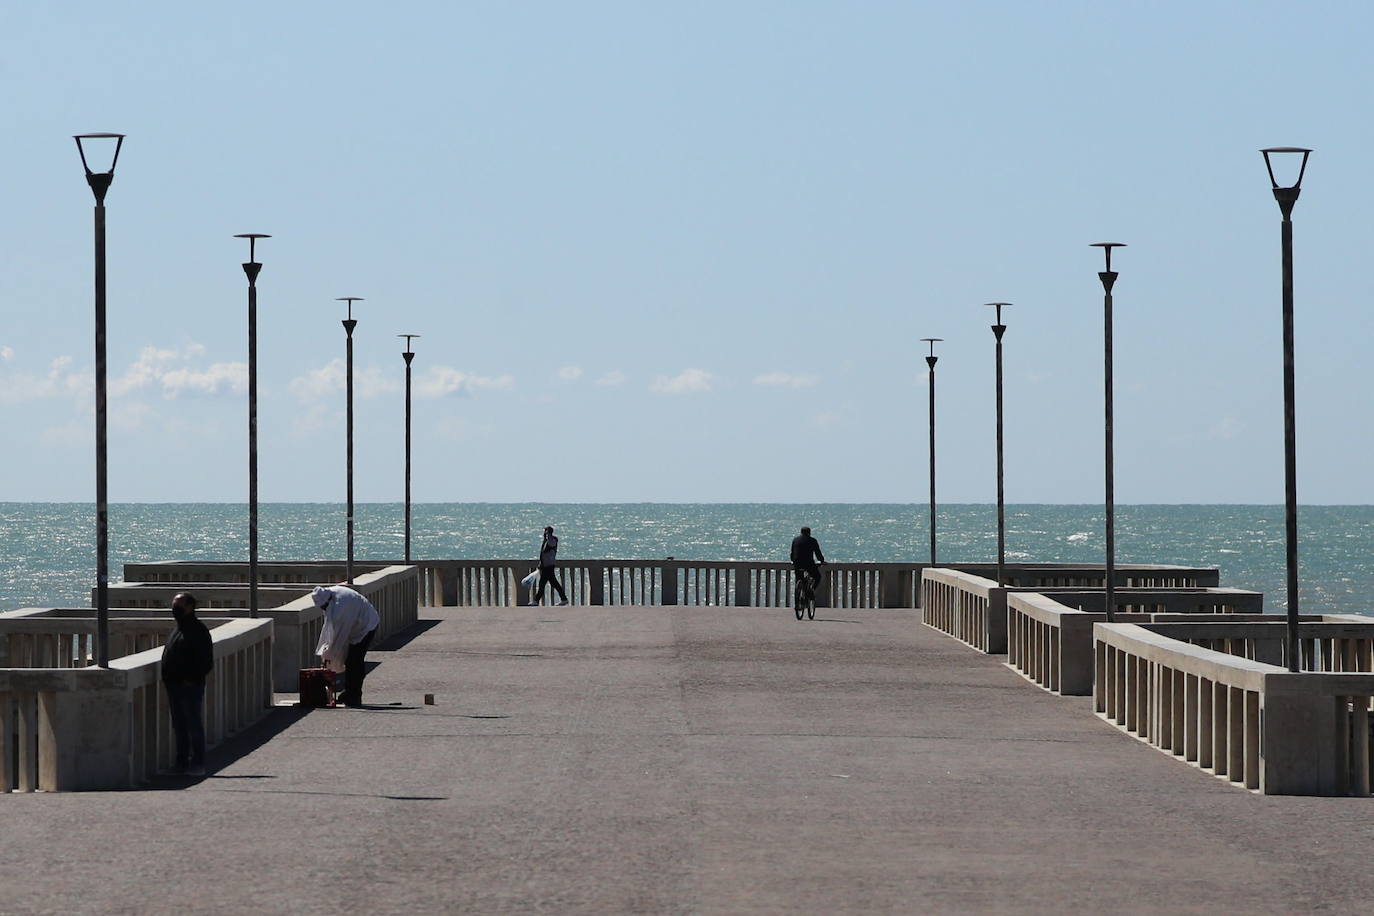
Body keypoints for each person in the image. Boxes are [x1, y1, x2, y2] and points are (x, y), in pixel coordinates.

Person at [161, 592, 214, 776]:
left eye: (179, 605)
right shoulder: (179, 629)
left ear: (190, 607)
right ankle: (181, 763)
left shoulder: (198, 631)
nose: (175, 609)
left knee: (193, 725)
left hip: (189, 686)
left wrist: (190, 678)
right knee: (180, 726)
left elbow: (206, 661)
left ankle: (198, 763)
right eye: (174, 604)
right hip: (174, 686)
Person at [313, 584, 381, 707]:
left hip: (367, 626)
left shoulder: (340, 606)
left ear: (327, 602)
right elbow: (329, 629)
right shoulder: (332, 594)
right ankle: (350, 691)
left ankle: (354, 696)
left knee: (354, 661)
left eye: (323, 607)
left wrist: (327, 655)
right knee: (352, 661)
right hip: (358, 623)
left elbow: (338, 638)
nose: (323, 609)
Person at [529, 525, 569, 606]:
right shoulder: (546, 541)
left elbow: (551, 544)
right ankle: (564, 599)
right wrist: (540, 564)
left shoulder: (553, 540)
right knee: (554, 583)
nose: (546, 533)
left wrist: (549, 535)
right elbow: (543, 554)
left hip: (549, 566)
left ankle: (536, 600)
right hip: (545, 566)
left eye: (547, 531)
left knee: (542, 584)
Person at [790, 526, 827, 600]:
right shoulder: (812, 540)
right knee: (817, 576)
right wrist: (822, 561)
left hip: (797, 563)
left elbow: (792, 552)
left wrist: (793, 561)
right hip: (808, 563)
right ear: (809, 533)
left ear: (801, 532)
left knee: (799, 578)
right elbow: (817, 553)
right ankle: (810, 591)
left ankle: (798, 602)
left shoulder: (795, 540)